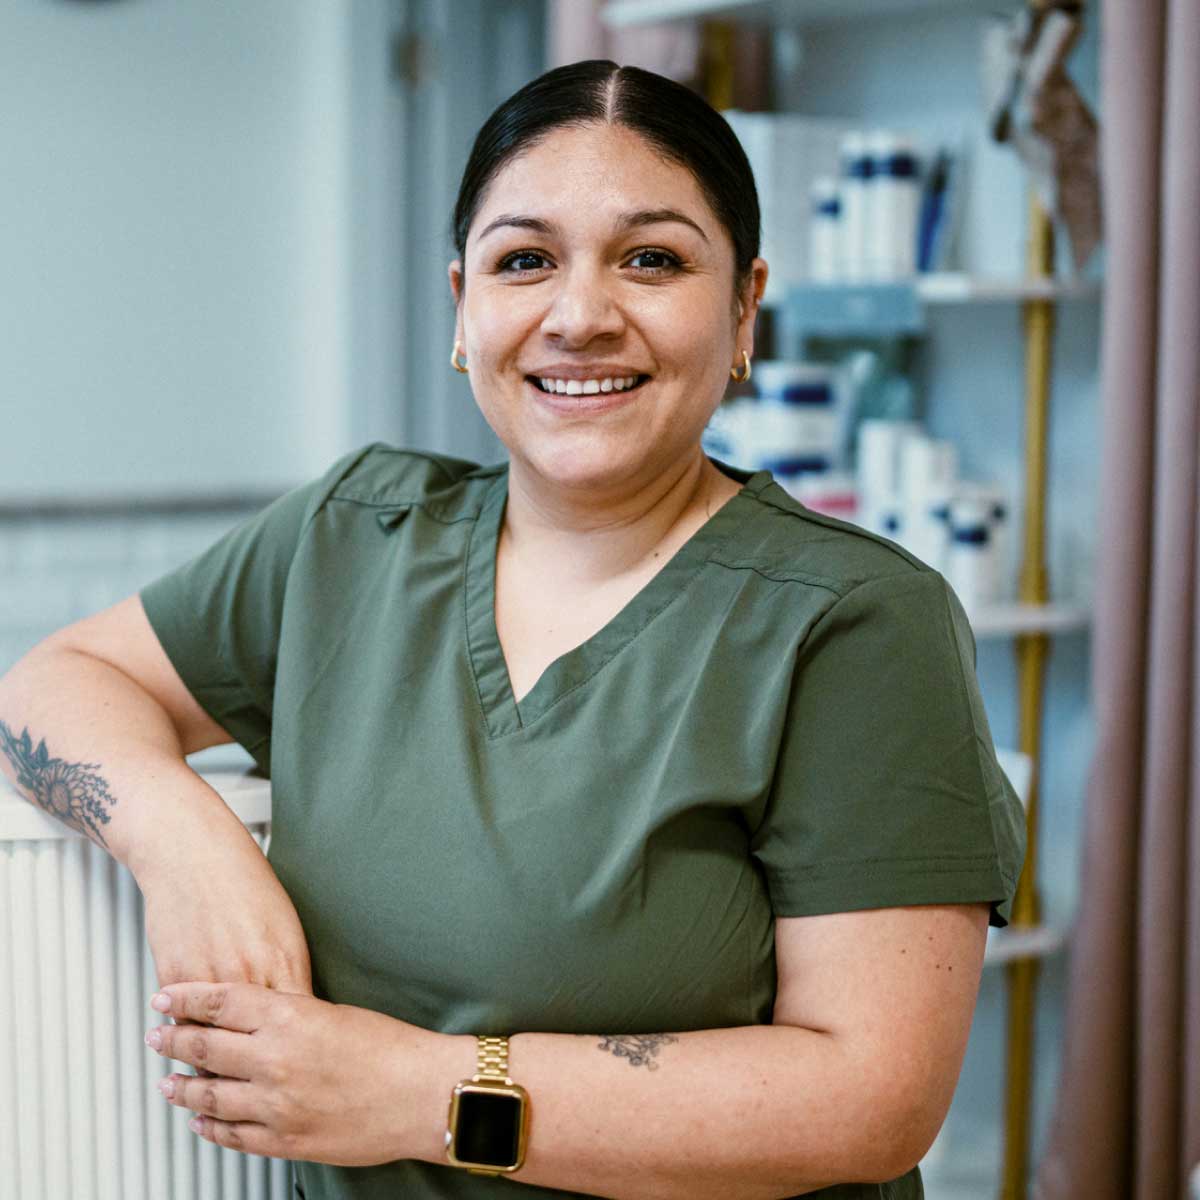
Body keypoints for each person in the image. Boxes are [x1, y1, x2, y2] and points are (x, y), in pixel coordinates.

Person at [0, 60, 1025, 1199]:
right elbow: (59, 676)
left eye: (654, 259)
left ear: (744, 310)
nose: (580, 316)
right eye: (524, 260)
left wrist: (421, 1091)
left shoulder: (854, 622)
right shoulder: (351, 536)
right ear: (462, 306)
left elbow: (869, 1101)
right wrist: (184, 845)